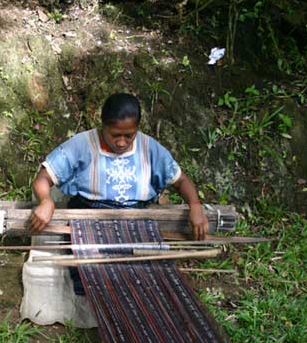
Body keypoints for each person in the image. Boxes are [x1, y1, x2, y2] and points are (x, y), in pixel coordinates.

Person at [29, 92, 208, 241]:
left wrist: (195, 205)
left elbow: (181, 180)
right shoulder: (82, 145)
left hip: (136, 218)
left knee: (143, 274)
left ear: (137, 128)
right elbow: (43, 178)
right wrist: (46, 201)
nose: (122, 142)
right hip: (88, 217)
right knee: (88, 275)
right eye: (115, 135)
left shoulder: (149, 148)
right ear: (103, 126)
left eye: (129, 135)